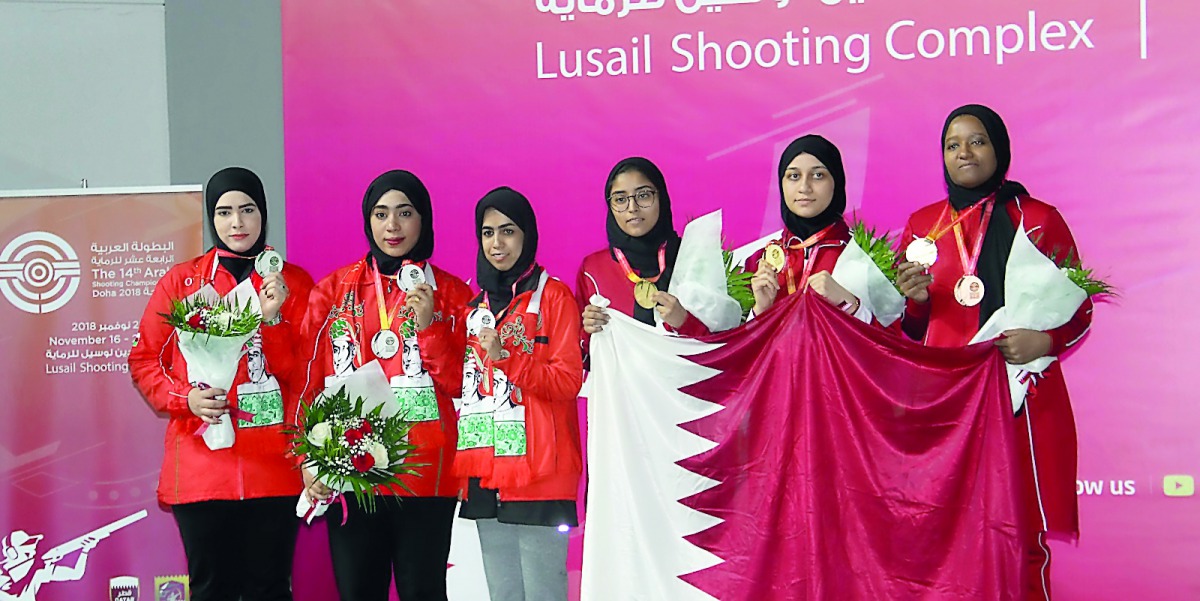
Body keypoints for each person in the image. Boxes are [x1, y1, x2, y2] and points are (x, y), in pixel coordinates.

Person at [894, 104, 1092, 600]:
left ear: (999, 149)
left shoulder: (1039, 219)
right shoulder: (923, 227)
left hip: (1020, 400)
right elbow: (914, 330)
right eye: (952, 144)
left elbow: (1080, 309)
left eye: (977, 140)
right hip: (946, 406)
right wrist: (915, 303)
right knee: (945, 537)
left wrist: (1044, 342)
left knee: (1022, 538)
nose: (964, 152)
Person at [129, 167, 312, 601]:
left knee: (269, 589)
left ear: (263, 215)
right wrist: (185, 397)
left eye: (247, 210)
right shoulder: (182, 281)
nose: (237, 223)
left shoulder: (295, 283)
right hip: (201, 466)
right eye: (225, 212)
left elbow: (306, 375)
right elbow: (143, 359)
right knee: (213, 590)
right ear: (211, 218)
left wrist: (271, 321)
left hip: (274, 466)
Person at [299, 169, 472, 601]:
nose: (392, 226)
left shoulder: (452, 294)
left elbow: (463, 387)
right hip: (355, 472)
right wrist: (307, 459)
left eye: (404, 213)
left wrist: (430, 326)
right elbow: (306, 382)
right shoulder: (334, 291)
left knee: (423, 591)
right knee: (359, 591)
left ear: (423, 220)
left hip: (427, 476)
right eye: (381, 214)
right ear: (368, 221)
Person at [455, 187, 584, 601]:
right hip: (486, 469)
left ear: (527, 234)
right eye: (488, 233)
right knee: (503, 594)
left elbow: (567, 382)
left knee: (543, 592)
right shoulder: (475, 308)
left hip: (540, 473)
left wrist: (508, 358)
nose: (497, 243)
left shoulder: (556, 297)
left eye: (508, 231)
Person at [576, 157, 710, 345]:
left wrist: (685, 322)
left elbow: (725, 349)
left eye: (644, 195)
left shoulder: (693, 259)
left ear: (661, 198)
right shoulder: (592, 270)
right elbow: (581, 359)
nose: (632, 208)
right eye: (620, 199)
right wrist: (588, 333)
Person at [745, 134, 874, 322]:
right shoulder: (759, 262)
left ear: (836, 183)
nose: (804, 187)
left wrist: (850, 305)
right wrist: (761, 311)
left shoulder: (865, 255)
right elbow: (737, 347)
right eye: (794, 176)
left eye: (818, 175)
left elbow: (890, 343)